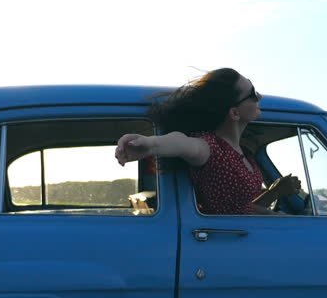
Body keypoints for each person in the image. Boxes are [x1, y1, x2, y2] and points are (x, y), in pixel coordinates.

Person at [114, 68, 301, 215]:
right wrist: (150, 144)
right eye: (252, 94)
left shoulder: (243, 152)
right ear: (234, 113)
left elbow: (239, 210)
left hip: (241, 238)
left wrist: (275, 196)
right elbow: (181, 143)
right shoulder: (209, 146)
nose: (259, 96)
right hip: (225, 245)